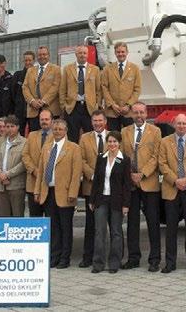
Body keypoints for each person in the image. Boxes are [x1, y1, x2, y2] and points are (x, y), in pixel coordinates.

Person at [159, 113, 186, 274]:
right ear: (173, 124)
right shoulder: (165, 142)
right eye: (178, 123)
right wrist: (175, 180)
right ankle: (170, 263)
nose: (181, 126)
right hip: (172, 188)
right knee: (171, 228)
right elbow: (162, 163)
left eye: (184, 123)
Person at [34, 119, 82, 269]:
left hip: (65, 194)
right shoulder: (47, 147)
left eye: (60, 129)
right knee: (53, 227)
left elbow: (76, 173)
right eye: (55, 129)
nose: (57, 132)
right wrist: (37, 191)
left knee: (65, 227)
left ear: (66, 131)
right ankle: (54, 256)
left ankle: (64, 258)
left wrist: (73, 192)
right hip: (48, 192)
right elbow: (41, 171)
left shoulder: (73, 148)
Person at [121, 102, 161, 272]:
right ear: (131, 114)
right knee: (132, 223)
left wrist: (142, 173)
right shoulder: (124, 132)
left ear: (146, 113)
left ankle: (154, 259)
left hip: (149, 183)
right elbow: (122, 156)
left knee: (152, 222)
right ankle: (133, 258)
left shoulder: (155, 131)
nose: (139, 116)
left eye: (141, 112)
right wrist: (130, 174)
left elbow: (156, 156)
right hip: (131, 184)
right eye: (136, 112)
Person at [90, 131, 131, 274]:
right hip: (101, 199)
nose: (112, 144)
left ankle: (114, 263)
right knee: (99, 232)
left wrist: (126, 204)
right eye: (110, 141)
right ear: (106, 143)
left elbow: (127, 184)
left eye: (115, 141)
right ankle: (98, 263)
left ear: (119, 143)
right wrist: (92, 200)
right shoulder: (101, 158)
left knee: (116, 232)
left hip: (117, 201)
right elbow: (96, 180)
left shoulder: (124, 160)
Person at [78, 109, 108, 268]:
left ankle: (110, 257)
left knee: (111, 225)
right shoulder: (84, 138)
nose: (97, 123)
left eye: (100, 120)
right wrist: (93, 175)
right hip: (91, 187)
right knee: (90, 225)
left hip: (110, 187)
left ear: (105, 122)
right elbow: (81, 160)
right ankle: (87, 257)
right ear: (91, 122)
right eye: (95, 121)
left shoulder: (113, 137)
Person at [59, 45, 101, 143]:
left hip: (89, 108)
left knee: (90, 138)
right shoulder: (67, 69)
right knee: (72, 138)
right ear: (76, 54)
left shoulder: (95, 69)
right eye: (80, 53)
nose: (82, 55)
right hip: (72, 108)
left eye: (84, 53)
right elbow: (62, 89)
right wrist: (63, 106)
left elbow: (99, 90)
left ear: (87, 54)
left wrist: (97, 105)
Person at [0, 115, 27, 216]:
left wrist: (7, 175)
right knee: (3, 218)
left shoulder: (24, 142)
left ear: (18, 127)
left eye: (12, 126)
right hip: (0, 185)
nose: (9, 129)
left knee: (17, 217)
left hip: (16, 186)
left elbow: (23, 163)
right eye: (7, 126)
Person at [101, 42, 141, 132]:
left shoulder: (135, 69)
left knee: (130, 137)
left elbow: (137, 89)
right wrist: (112, 104)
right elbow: (104, 87)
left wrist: (128, 105)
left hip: (129, 112)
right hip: (112, 112)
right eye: (118, 52)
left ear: (127, 52)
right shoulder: (107, 69)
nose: (120, 54)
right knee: (114, 137)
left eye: (123, 52)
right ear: (115, 53)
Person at [21, 108, 53, 216]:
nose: (44, 121)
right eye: (42, 119)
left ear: (52, 121)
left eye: (46, 119)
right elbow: (25, 155)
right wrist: (34, 170)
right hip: (33, 183)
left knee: (50, 219)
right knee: (34, 218)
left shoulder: (57, 136)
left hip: (50, 185)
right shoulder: (31, 135)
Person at [23, 45, 61, 132]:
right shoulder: (30, 70)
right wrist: (32, 101)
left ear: (49, 56)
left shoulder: (56, 69)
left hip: (50, 109)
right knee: (34, 136)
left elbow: (55, 87)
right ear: (37, 57)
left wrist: (43, 101)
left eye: (44, 54)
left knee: (51, 136)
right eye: (40, 55)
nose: (42, 56)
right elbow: (25, 87)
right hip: (33, 110)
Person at [12, 51, 35, 136]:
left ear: (33, 61)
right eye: (26, 60)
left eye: (30, 60)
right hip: (20, 111)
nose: (27, 62)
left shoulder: (38, 75)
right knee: (18, 134)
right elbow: (13, 93)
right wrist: (18, 104)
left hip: (33, 110)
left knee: (33, 134)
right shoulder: (17, 75)